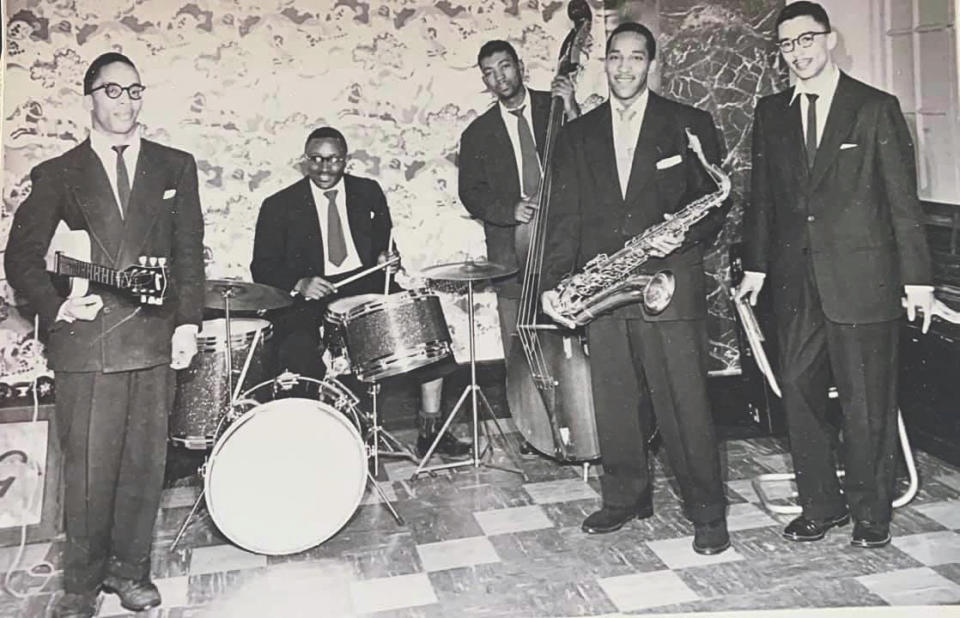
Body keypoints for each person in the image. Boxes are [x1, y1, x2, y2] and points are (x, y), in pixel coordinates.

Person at [4, 52, 205, 617]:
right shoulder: (57, 173)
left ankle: (129, 573)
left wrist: (187, 322)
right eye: (113, 91)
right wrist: (54, 306)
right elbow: (21, 257)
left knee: (144, 467)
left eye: (135, 90)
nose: (126, 101)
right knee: (88, 469)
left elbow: (190, 256)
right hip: (86, 345)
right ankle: (80, 584)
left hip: (152, 340)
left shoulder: (175, 167)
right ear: (89, 97)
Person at [737, 1, 933, 549]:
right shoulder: (771, 114)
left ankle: (872, 514)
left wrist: (918, 281)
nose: (797, 53)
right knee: (798, 394)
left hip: (863, 283)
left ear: (829, 40)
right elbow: (763, 203)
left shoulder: (874, 108)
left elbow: (902, 203)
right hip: (796, 286)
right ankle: (820, 506)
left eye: (805, 40)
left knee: (866, 402)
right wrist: (756, 267)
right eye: (786, 45)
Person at [540, 22, 730, 554]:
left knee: (684, 403)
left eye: (636, 57)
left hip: (669, 283)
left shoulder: (689, 124)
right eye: (616, 57)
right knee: (615, 400)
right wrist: (557, 285)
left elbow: (716, 203)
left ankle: (707, 512)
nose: (625, 67)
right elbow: (564, 217)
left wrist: (675, 240)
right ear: (605, 62)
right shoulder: (578, 135)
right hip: (608, 288)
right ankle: (626, 496)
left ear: (652, 63)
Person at [250, 127, 469, 458]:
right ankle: (326, 440)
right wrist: (299, 282)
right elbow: (261, 267)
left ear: (346, 160)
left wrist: (387, 258)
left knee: (426, 334)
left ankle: (431, 430)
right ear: (304, 160)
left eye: (334, 160)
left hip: (365, 281)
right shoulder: (278, 205)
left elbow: (384, 244)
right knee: (296, 348)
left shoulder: (368, 192)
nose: (325, 168)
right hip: (310, 290)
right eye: (316, 159)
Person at [457, 39, 579, 434]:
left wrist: (573, 108)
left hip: (564, 243)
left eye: (505, 66)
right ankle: (531, 426)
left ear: (520, 66)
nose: (499, 77)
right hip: (513, 253)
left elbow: (588, 157)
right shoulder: (477, 133)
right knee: (519, 339)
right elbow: (470, 194)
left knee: (572, 336)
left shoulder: (555, 107)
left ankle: (580, 418)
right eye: (489, 72)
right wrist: (507, 210)